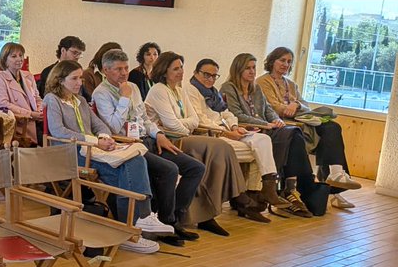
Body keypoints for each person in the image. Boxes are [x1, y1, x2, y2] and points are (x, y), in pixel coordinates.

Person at [41, 61, 159, 254]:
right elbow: (58, 131)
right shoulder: (52, 99)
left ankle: (129, 228)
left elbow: (100, 125)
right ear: (60, 80)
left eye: (80, 77)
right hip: (68, 153)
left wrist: (104, 138)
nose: (80, 82)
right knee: (128, 174)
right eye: (75, 78)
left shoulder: (79, 100)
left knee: (135, 160)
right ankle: (134, 226)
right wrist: (95, 142)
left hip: (91, 151)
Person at [93, 49, 205, 243]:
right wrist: (124, 98)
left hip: (148, 140)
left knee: (195, 167)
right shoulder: (101, 93)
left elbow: (144, 119)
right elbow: (112, 127)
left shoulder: (134, 87)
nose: (124, 73)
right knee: (169, 169)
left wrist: (159, 134)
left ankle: (173, 218)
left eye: (126, 68)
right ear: (105, 70)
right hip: (128, 146)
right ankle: (165, 222)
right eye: (118, 69)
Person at [144, 52, 259, 233]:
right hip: (171, 138)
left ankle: (209, 212)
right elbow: (174, 125)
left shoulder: (179, 89)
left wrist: (186, 124)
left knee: (220, 150)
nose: (181, 71)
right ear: (164, 71)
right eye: (176, 68)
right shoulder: (158, 89)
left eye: (181, 67)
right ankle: (235, 197)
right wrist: (186, 124)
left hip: (186, 136)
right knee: (219, 147)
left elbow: (195, 120)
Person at [220, 53, 335, 213]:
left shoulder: (255, 87)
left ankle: (288, 187)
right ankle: (297, 185)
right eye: (248, 68)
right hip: (248, 128)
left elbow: (268, 109)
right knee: (293, 134)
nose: (252, 72)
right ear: (238, 69)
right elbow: (237, 114)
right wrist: (267, 124)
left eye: (253, 67)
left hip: (266, 127)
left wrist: (276, 120)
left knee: (294, 133)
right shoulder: (229, 87)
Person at [257, 46, 360, 193]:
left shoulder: (291, 84)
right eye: (282, 60)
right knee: (322, 137)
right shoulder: (262, 82)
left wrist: (296, 104)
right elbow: (274, 107)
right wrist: (290, 107)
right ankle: (333, 191)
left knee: (332, 127)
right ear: (272, 61)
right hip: (282, 124)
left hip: (301, 120)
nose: (286, 64)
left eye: (289, 61)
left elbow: (306, 106)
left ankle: (336, 173)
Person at [0, 42, 44, 145]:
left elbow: (38, 98)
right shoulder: (0, 77)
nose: (19, 59)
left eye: (21, 55)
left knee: (55, 137)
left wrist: (39, 110)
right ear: (5, 60)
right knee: (46, 143)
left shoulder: (28, 76)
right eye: (14, 56)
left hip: (37, 119)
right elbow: (3, 104)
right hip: (18, 123)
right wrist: (31, 114)